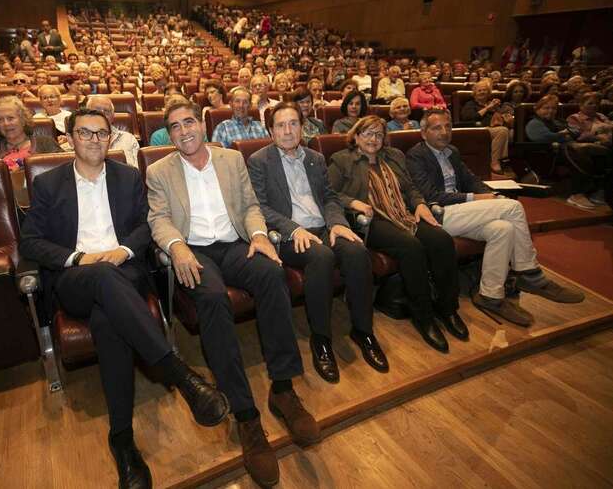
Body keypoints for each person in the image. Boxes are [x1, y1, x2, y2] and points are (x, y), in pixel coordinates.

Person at [19, 108, 229, 489]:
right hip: (75, 276)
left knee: (107, 322)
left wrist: (123, 252)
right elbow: (30, 241)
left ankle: (122, 441)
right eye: (85, 133)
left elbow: (142, 227)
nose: (94, 140)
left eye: (102, 134)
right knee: (99, 278)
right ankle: (179, 375)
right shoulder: (49, 184)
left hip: (124, 273)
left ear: (110, 139)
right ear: (70, 139)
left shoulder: (128, 177)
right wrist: (80, 258)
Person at [147, 100, 319, 487]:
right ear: (169, 134)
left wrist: (259, 235)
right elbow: (158, 218)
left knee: (273, 274)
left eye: (189, 121)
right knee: (211, 298)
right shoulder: (159, 170)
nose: (183, 130)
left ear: (202, 124)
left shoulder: (230, 159)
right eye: (174, 126)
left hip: (233, 243)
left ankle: (284, 389)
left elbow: (250, 206)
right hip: (196, 251)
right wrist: (176, 247)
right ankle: (245, 415)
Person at [249, 102, 389, 379]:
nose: (288, 131)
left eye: (293, 124)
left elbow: (329, 198)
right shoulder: (259, 161)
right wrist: (293, 228)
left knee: (357, 251)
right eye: (281, 125)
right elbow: (260, 207)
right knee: (322, 257)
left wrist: (337, 223)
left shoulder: (315, 158)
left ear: (303, 127)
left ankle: (363, 331)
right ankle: (321, 339)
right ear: (270, 131)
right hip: (290, 235)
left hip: (323, 226)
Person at [407, 108, 584, 325]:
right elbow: (431, 195)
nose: (444, 132)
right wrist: (478, 198)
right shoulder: (416, 155)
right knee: (513, 208)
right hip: (438, 215)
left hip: (462, 213)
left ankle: (490, 295)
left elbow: (471, 179)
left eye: (448, 126)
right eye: (437, 128)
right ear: (424, 133)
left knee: (503, 229)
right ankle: (530, 275)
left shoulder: (451, 151)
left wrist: (493, 195)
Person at [328, 116, 465, 353]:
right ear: (357, 136)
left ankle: (447, 308)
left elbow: (410, 188)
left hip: (403, 213)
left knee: (441, 239)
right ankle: (423, 317)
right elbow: (328, 193)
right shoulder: (341, 160)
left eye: (379, 134)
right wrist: (353, 202)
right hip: (373, 220)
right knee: (410, 247)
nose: (374, 139)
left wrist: (420, 204)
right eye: (368, 133)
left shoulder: (395, 157)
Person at [0, 96, 61, 168]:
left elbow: (65, 170)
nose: (6, 124)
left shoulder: (45, 143)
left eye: (10, 118)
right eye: (0, 120)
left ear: (23, 120)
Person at [460, 80, 511, 175]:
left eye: (485, 90)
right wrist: (487, 108)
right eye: (479, 90)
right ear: (474, 93)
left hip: (494, 129)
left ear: (488, 93)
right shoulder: (470, 104)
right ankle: (495, 162)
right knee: (502, 131)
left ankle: (505, 163)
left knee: (508, 131)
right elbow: (467, 118)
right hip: (478, 130)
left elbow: (500, 118)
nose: (482, 92)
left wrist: (506, 119)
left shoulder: (493, 105)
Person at [85, 95, 140, 168]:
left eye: (107, 111)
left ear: (113, 116)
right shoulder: (78, 140)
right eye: (96, 111)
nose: (102, 115)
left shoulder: (128, 139)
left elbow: (137, 171)